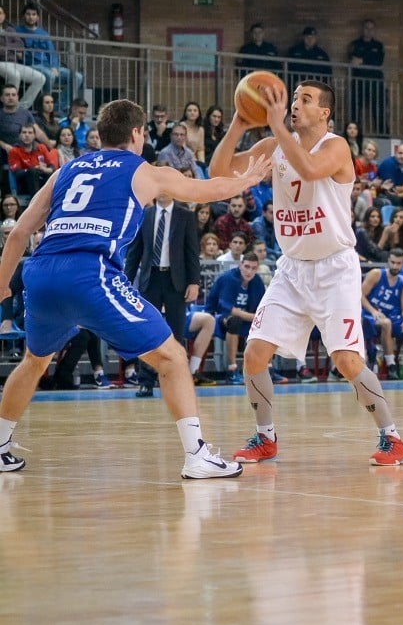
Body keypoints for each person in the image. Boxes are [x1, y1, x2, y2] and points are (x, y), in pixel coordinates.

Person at [0, 97, 271, 477]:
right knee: (173, 357)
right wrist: (250, 179)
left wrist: (2, 289)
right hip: (90, 273)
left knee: (34, 361)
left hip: (41, 272)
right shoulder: (144, 171)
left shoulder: (67, 170)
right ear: (137, 133)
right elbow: (208, 191)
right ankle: (197, 457)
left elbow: (19, 234)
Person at [209, 78, 403, 466]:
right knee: (254, 354)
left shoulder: (334, 147)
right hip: (292, 270)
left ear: (324, 113)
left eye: (305, 100)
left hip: (335, 268)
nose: (295, 105)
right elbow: (219, 172)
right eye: (294, 98)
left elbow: (310, 168)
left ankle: (392, 437)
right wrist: (239, 122)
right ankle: (265, 437)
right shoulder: (273, 146)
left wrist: (276, 125)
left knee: (347, 361)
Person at [124, 190, 201, 398]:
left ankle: (176, 381)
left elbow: (192, 251)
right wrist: (125, 281)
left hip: (176, 280)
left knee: (176, 332)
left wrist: (194, 282)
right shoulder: (145, 214)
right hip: (151, 279)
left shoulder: (185, 215)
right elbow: (135, 251)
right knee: (146, 330)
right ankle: (145, 381)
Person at [361, 248, 403, 380]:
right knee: (386, 323)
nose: (395, 266)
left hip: (392, 317)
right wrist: (373, 311)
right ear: (388, 261)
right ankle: (391, 365)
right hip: (370, 315)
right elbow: (360, 295)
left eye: (398, 263)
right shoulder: (376, 274)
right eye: (392, 262)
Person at [204, 251, 266, 384]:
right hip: (217, 316)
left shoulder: (257, 281)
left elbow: (263, 305)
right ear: (240, 265)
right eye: (247, 267)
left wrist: (259, 318)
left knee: (267, 325)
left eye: (253, 268)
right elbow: (228, 308)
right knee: (234, 322)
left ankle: (264, 370)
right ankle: (231, 370)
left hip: (246, 318)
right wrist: (253, 317)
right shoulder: (229, 278)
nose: (249, 271)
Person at [16, 4, 83, 111]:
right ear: (23, 16)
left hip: (48, 66)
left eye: (34, 14)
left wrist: (55, 66)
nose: (31, 17)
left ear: (38, 17)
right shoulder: (17, 31)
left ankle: (58, 107)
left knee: (77, 76)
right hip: (31, 65)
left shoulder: (43, 33)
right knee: (50, 75)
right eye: (28, 14)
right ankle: (45, 106)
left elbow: (51, 53)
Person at [0, 5, 46, 108]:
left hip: (14, 63)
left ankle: (21, 108)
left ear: (4, 16)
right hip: (1, 63)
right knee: (15, 75)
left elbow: (20, 45)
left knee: (40, 78)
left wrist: (6, 48)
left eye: (0, 13)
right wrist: (12, 49)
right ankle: (9, 106)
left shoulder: (10, 30)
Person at [348, 19, 386, 133]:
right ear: (362, 30)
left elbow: (378, 62)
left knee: (379, 110)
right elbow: (353, 61)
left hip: (376, 82)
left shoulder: (378, 45)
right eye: (366, 28)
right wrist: (368, 60)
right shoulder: (355, 44)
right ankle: (354, 134)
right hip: (358, 82)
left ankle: (383, 134)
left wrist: (362, 60)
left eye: (371, 28)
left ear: (374, 31)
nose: (368, 31)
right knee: (355, 110)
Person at [8, 122, 56, 198]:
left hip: (41, 179)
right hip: (24, 184)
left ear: (34, 136)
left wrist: (46, 169)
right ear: (20, 135)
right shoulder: (14, 151)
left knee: (51, 174)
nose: (27, 135)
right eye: (24, 132)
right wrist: (35, 168)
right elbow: (17, 173)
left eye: (30, 133)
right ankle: (36, 200)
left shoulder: (41, 147)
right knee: (32, 171)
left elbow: (52, 166)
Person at [377, 143, 403, 208]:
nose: (402, 156)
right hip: (383, 193)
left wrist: (401, 193)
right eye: (400, 153)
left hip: (399, 195)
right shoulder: (387, 164)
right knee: (396, 199)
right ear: (395, 153)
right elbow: (391, 189)